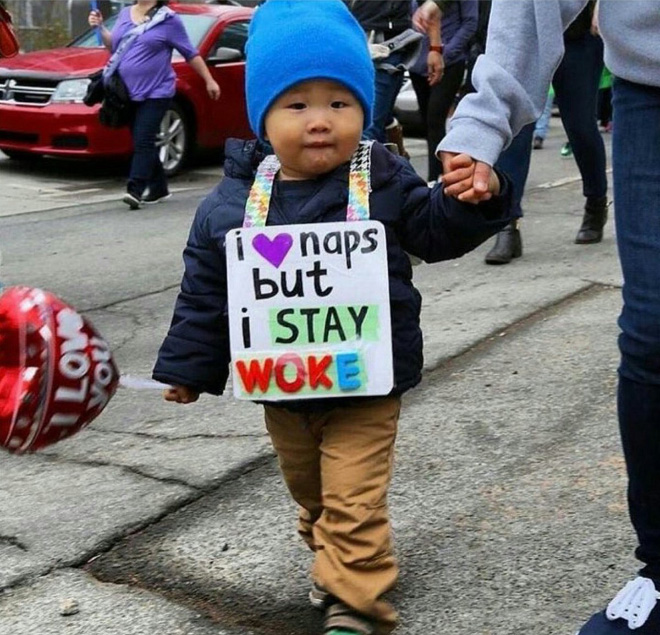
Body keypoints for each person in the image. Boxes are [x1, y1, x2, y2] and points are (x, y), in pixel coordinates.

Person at [152, 2, 513, 633]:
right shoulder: (229, 202)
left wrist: (479, 202)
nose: (320, 121)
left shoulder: (384, 180)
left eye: (340, 104)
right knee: (312, 492)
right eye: (297, 105)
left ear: (364, 113)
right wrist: (188, 368)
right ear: (262, 115)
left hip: (366, 382)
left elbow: (434, 232)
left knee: (352, 494)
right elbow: (206, 292)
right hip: (285, 386)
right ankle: (337, 556)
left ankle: (356, 601)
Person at [430, 1, 660, 633]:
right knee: (653, 332)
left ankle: (592, 203)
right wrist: (484, 124)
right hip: (651, 90)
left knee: (583, 131)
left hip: (607, 72)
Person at [483, 1, 608, 264]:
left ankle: (596, 202)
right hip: (530, 34)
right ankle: (508, 224)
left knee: (580, 126)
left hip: (579, 35)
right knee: (517, 128)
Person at [88, 0, 220, 210]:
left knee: (143, 139)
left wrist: (209, 80)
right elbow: (113, 46)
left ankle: (135, 189)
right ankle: (159, 187)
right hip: (126, 93)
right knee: (143, 141)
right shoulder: (125, 14)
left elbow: (190, 53)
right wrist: (100, 27)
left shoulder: (168, 20)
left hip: (157, 92)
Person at [409, 0, 477, 183]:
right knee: (427, 122)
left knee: (435, 119)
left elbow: (470, 22)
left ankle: (437, 178)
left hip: (449, 62)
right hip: (417, 63)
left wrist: (445, 53)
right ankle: (438, 175)